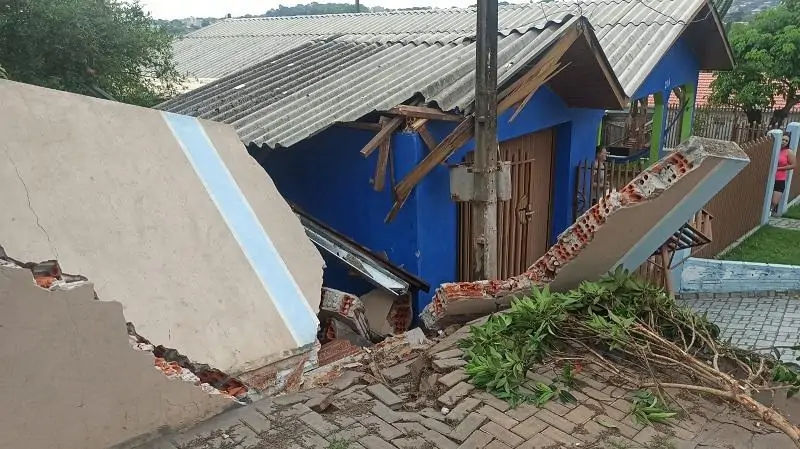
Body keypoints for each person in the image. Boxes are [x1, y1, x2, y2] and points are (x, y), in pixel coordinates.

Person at [772, 133, 796, 216]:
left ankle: (771, 210)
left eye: (786, 141)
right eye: (783, 139)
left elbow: (793, 165)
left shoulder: (788, 152)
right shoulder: (773, 149)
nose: (784, 142)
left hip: (780, 179)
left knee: (775, 201)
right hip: (769, 178)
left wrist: (779, 168)